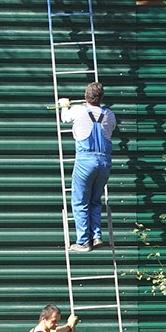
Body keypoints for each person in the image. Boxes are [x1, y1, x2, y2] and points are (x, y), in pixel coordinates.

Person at [60, 82, 116, 252]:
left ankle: (84, 241)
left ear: (85, 96)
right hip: (104, 163)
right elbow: (110, 129)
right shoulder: (109, 114)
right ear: (102, 98)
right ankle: (97, 235)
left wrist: (64, 105)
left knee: (80, 202)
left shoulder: (78, 111)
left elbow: (65, 118)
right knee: (95, 200)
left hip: (85, 161)